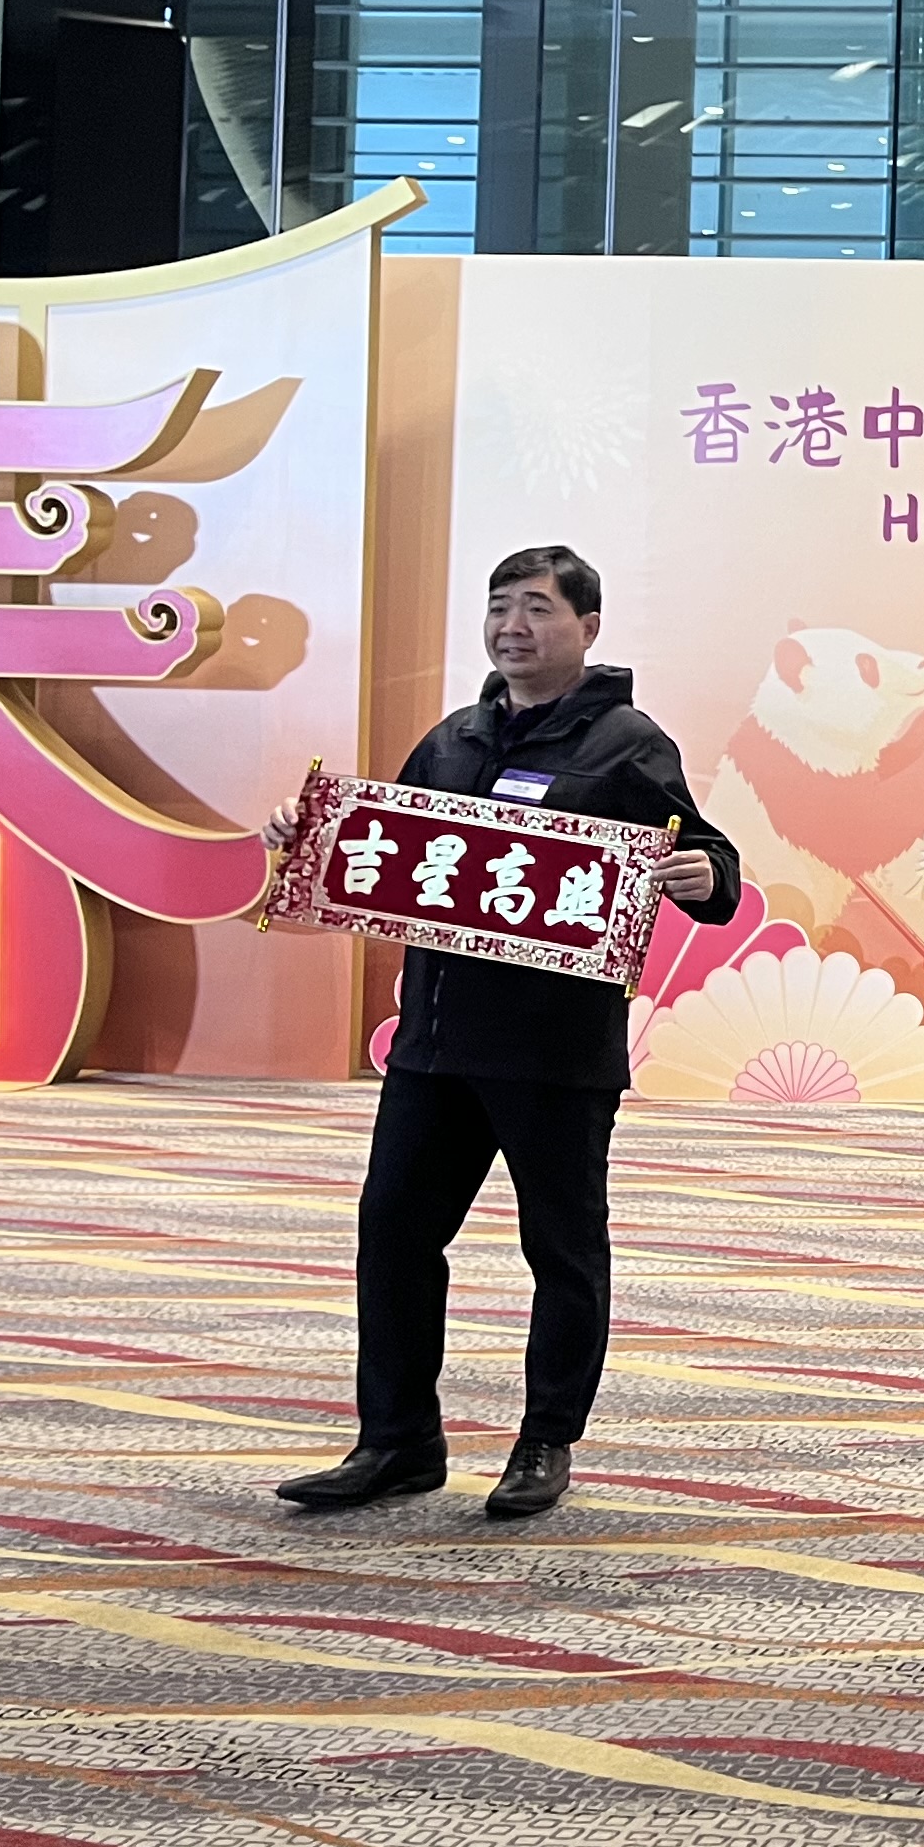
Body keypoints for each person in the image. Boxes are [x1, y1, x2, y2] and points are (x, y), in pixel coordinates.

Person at [269, 545, 739, 1522]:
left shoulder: (625, 745)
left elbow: (703, 855)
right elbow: (387, 844)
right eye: (499, 607)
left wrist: (706, 876)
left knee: (560, 1250)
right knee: (394, 1234)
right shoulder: (453, 739)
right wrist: (307, 834)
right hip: (435, 1045)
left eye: (536, 607)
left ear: (587, 627)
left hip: (552, 1055)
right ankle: (397, 1441)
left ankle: (544, 1441)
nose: (512, 626)